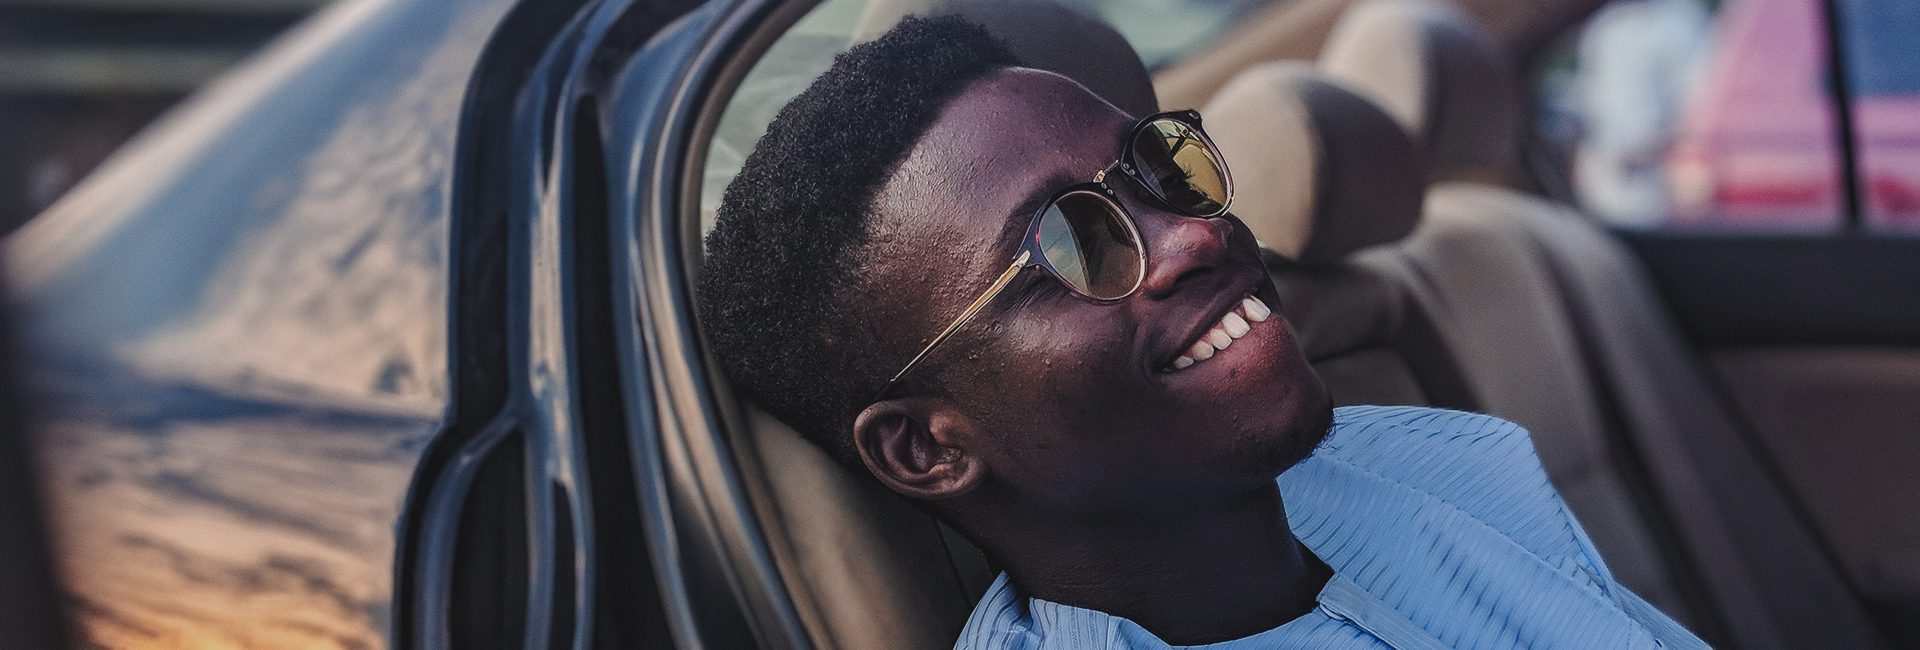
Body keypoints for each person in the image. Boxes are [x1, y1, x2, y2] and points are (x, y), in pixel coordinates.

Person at [698, 16, 1706, 649]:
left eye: (1156, 167)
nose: (1192, 233)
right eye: (1068, 243)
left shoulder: (1435, 460)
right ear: (928, 445)